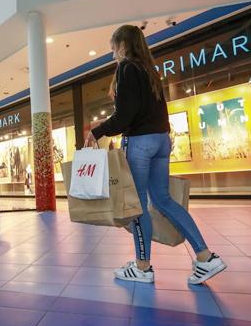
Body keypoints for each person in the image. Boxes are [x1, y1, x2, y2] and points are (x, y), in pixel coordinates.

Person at [85, 25, 226, 285]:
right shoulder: (150, 70)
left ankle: (142, 267)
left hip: (139, 143)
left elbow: (125, 116)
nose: (112, 53)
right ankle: (206, 257)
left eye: (113, 47)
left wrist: (98, 131)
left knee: (137, 205)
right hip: (161, 140)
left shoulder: (126, 68)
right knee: (163, 199)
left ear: (122, 45)